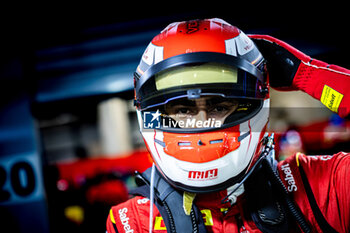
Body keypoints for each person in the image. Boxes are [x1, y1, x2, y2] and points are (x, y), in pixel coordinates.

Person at [106, 18, 350, 233]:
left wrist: (306, 74)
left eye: (219, 107)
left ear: (253, 104)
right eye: (183, 110)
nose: (202, 122)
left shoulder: (321, 186)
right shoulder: (133, 222)